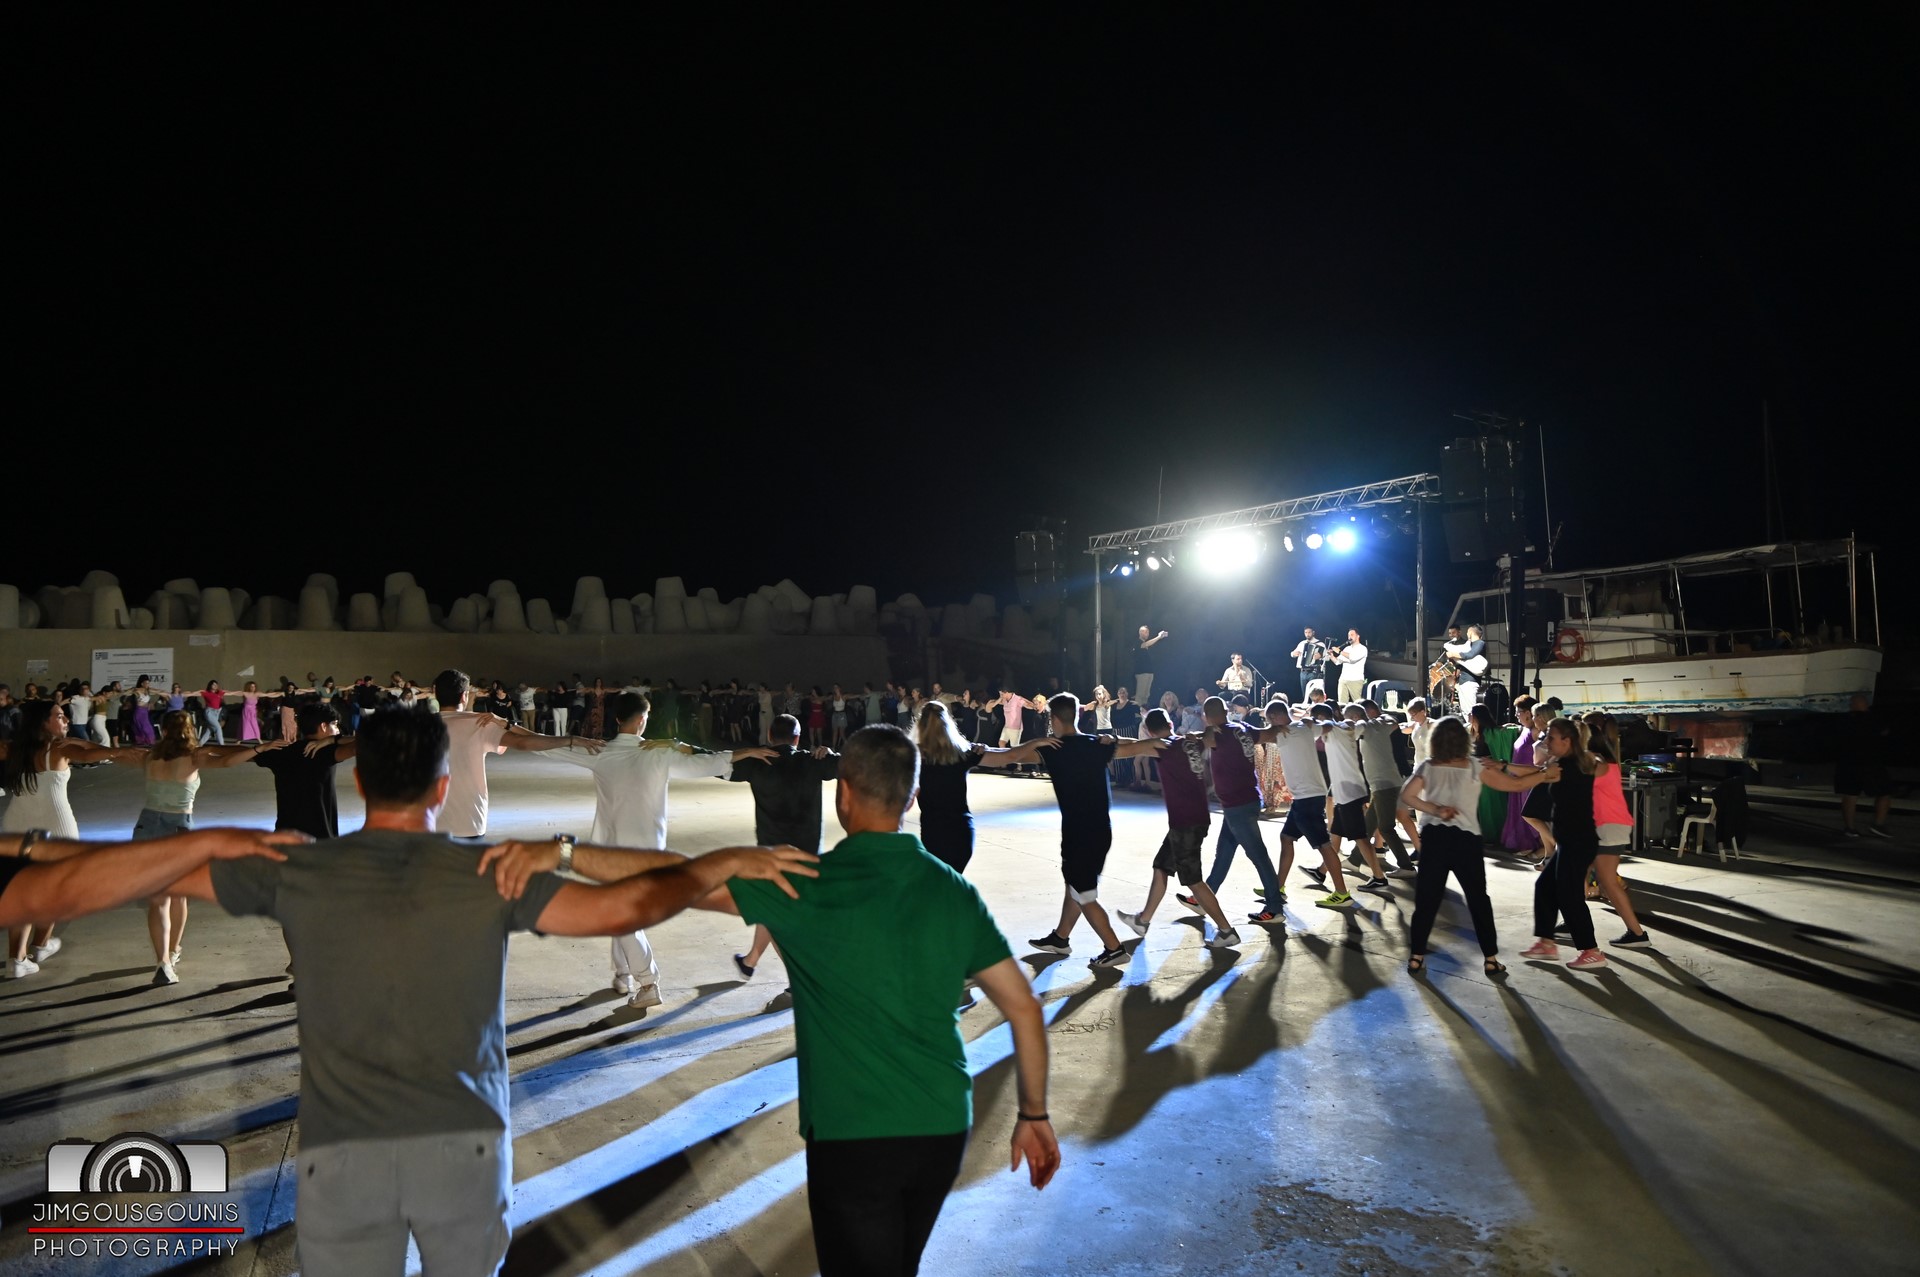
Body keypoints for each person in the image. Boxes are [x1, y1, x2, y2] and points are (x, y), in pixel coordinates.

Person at [161, 706, 813, 1277]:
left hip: (341, 1153)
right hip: (460, 1145)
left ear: (359, 782)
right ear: (443, 787)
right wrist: (712, 862)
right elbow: (625, 907)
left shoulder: (301, 871)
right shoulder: (494, 872)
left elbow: (140, 876)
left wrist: (210, 841)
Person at [652, 723, 1061, 1274]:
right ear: (912, 799)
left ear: (843, 793)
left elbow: (677, 884)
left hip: (852, 1133)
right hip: (941, 1124)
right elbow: (1024, 1008)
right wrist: (1033, 1113)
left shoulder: (808, 885)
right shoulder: (953, 889)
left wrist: (567, 855)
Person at [556, 691, 776, 1007]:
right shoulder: (657, 754)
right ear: (642, 720)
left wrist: (508, 728)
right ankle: (623, 974)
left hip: (610, 854)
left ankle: (647, 982)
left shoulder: (601, 754)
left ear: (617, 719)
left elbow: (543, 747)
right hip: (650, 854)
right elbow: (706, 763)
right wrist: (745, 752)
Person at [1016, 694, 1165, 969]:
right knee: (1075, 884)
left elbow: (1006, 757)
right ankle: (1060, 938)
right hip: (1099, 831)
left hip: (1079, 834)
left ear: (1054, 719)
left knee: (1083, 893)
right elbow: (1139, 747)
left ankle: (1114, 948)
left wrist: (1034, 743)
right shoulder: (1096, 744)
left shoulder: (1052, 748)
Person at [1, 700, 149, 977]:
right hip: (55, 828)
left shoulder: (14, 749)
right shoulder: (58, 748)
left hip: (16, 826)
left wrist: (105, 749)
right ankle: (39, 945)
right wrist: (118, 751)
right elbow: (89, 754)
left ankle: (17, 959)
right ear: (43, 722)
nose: (66, 720)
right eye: (59, 716)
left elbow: (84, 748)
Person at [137, 710, 286, 984]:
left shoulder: (149, 757)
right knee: (179, 896)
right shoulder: (194, 757)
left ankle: (162, 961)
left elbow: (113, 754)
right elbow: (228, 761)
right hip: (179, 829)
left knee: (157, 899)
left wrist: (85, 746)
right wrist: (260, 748)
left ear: (163, 731)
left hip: (147, 827)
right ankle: (173, 951)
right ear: (190, 730)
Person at [1398, 715, 1554, 975]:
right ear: (1464, 740)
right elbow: (1515, 785)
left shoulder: (1428, 766)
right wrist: (1544, 775)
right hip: (1466, 840)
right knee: (1478, 899)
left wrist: (1435, 809)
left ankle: (1416, 957)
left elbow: (1407, 796)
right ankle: (1490, 959)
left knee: (1427, 899)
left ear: (1435, 741)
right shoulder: (1474, 766)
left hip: (1435, 838)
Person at [729, 714, 843, 978]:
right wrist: (830, 753)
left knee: (777, 913)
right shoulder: (812, 761)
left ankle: (799, 976)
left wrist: (746, 752)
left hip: (771, 856)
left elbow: (716, 763)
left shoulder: (757, 763)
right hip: (806, 855)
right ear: (797, 738)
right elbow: (852, 764)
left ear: (770, 735)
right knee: (774, 910)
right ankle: (750, 961)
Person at [1118, 708, 1241, 949]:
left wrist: (1104, 742)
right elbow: (1208, 735)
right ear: (1170, 724)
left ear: (1149, 731)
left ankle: (1227, 931)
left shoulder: (1162, 746)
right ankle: (1143, 920)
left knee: (1194, 881)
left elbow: (1129, 748)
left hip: (1186, 821)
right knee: (1161, 866)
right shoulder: (1188, 742)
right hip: (1193, 817)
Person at [435, 668, 595, 840]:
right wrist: (571, 740)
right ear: (464, 696)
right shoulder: (480, 723)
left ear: (436, 693)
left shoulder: (417, 724)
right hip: (468, 822)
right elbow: (523, 742)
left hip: (425, 825)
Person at [1519, 717, 1610, 971]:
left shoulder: (1567, 767)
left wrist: (1502, 768)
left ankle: (1591, 951)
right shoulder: (1573, 763)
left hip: (1578, 841)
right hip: (1570, 841)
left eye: (1551, 737)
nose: (1546, 741)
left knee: (1569, 896)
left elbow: (1530, 776)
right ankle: (1546, 943)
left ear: (1566, 741)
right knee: (1545, 886)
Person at [1190, 696, 1290, 923]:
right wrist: (1282, 726)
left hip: (1238, 805)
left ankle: (1274, 908)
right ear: (1226, 711)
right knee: (1224, 852)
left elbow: (1203, 739)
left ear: (1207, 716)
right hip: (1243, 801)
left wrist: (1199, 734)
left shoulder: (1219, 734)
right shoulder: (1242, 728)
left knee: (1259, 856)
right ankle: (1204, 898)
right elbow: (1267, 734)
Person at [1584, 713, 1650, 946]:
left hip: (1610, 826)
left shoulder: (1598, 763)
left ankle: (1637, 934)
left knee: (1608, 882)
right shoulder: (1604, 760)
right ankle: (1573, 921)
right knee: (1582, 874)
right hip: (1606, 826)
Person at [254, 702, 360, 840]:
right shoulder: (326, 752)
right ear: (323, 726)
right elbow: (365, 743)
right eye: (334, 725)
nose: (338, 730)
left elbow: (239, 754)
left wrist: (259, 749)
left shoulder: (281, 751)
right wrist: (332, 740)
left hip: (285, 836)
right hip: (319, 838)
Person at [1319, 704, 1394, 896]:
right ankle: (1321, 871)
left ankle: (1379, 877)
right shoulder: (1345, 729)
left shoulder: (1350, 728)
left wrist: (1350, 723)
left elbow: (1355, 726)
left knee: (1360, 837)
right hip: (1346, 792)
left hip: (1351, 793)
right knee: (1336, 833)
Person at [1356, 699, 1415, 875]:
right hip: (1383, 782)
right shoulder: (1375, 726)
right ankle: (1354, 859)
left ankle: (1407, 866)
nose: (1360, 719)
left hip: (1388, 781)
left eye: (1361, 714)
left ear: (1371, 712)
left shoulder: (1381, 724)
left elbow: (1392, 723)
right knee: (1369, 826)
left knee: (1387, 826)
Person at [1835, 694, 1893, 838]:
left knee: (1850, 795)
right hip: (1871, 762)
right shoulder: (1872, 719)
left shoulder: (1845, 720)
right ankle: (1878, 824)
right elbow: (1884, 732)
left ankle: (1850, 828)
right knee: (1884, 793)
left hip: (1848, 762)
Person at [1443, 624, 1489, 715]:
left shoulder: (1480, 643)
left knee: (1470, 711)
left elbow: (1470, 654)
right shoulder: (1469, 644)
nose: (1467, 634)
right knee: (1465, 711)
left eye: (1468, 632)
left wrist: (1453, 654)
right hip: (1463, 682)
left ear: (1471, 632)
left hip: (1470, 682)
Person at [1134, 624, 1169, 705]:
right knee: (1140, 694)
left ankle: (1144, 709)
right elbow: (1145, 644)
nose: (1147, 634)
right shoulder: (1137, 642)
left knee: (1146, 695)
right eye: (1145, 632)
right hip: (1142, 672)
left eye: (1148, 632)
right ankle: (1137, 711)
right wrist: (1158, 637)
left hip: (1149, 671)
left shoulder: (1147, 645)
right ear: (1140, 632)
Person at [1331, 630, 1368, 704]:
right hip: (1343, 679)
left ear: (1358, 636)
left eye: (1352, 635)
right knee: (1341, 704)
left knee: (1358, 704)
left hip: (1356, 680)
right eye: (1348, 635)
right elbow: (1337, 662)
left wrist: (1339, 651)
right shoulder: (1347, 648)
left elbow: (1353, 658)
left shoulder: (1363, 649)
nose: (1349, 637)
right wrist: (1331, 655)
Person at [1289, 626, 1326, 702]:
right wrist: (1294, 654)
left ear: (1313, 632)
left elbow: (1327, 657)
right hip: (1303, 672)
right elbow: (1292, 653)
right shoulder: (1302, 643)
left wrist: (1321, 656)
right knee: (1305, 695)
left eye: (1309, 632)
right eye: (1306, 632)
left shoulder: (1320, 644)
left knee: (1314, 694)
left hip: (1314, 672)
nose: (1307, 634)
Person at [200, 680, 228, 745]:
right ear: (210, 685)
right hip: (209, 712)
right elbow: (194, 693)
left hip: (217, 713)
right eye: (213, 684)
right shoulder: (206, 693)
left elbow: (232, 693)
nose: (215, 686)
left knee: (209, 730)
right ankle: (222, 745)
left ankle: (199, 744)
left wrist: (244, 693)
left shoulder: (219, 693)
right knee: (218, 727)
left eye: (216, 685)